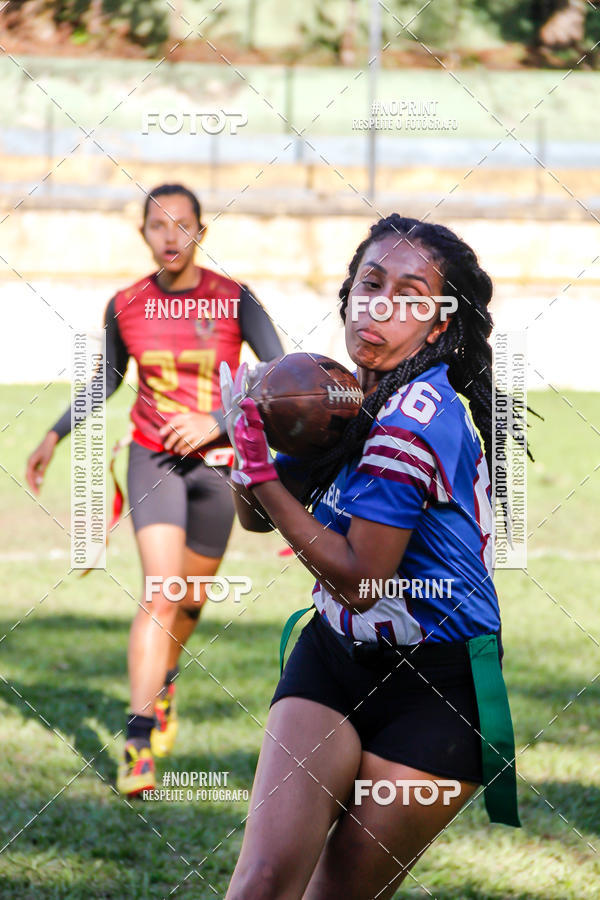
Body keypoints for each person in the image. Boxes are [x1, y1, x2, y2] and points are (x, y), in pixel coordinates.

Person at [220, 214, 521, 899]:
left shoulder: (417, 417)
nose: (380, 305)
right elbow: (259, 520)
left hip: (439, 689)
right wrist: (251, 459)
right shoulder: (334, 393)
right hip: (333, 655)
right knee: (262, 882)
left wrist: (262, 475)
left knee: (337, 893)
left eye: (410, 294)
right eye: (370, 283)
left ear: (439, 324)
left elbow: (360, 579)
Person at [25, 183, 283, 797]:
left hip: (220, 468)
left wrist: (215, 424)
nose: (171, 236)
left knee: (190, 602)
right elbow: (107, 381)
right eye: (158, 225)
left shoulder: (235, 299)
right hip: (153, 462)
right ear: (143, 233)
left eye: (183, 224)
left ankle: (161, 687)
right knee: (161, 593)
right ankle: (137, 741)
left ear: (201, 232)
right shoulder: (125, 303)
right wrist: (55, 434)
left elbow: (278, 374)